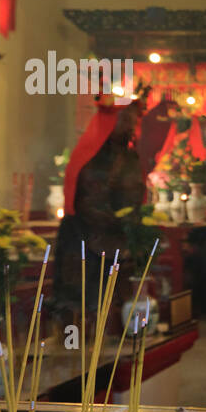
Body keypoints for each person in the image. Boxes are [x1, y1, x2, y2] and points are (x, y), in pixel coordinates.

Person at [52, 92, 145, 314]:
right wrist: (122, 222)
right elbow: (91, 202)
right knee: (87, 309)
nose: (132, 125)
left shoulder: (128, 155)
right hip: (87, 242)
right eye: (127, 119)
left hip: (118, 240)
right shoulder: (94, 157)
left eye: (134, 119)